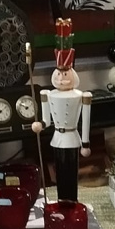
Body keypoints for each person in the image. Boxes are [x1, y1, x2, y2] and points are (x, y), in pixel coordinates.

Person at [33, 18, 91, 202]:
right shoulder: (49, 94)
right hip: (57, 137)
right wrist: (40, 124)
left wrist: (86, 143)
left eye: (65, 74)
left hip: (73, 137)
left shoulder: (80, 95)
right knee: (59, 171)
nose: (62, 78)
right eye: (59, 74)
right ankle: (61, 200)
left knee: (71, 172)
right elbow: (46, 119)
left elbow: (86, 120)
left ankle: (71, 201)